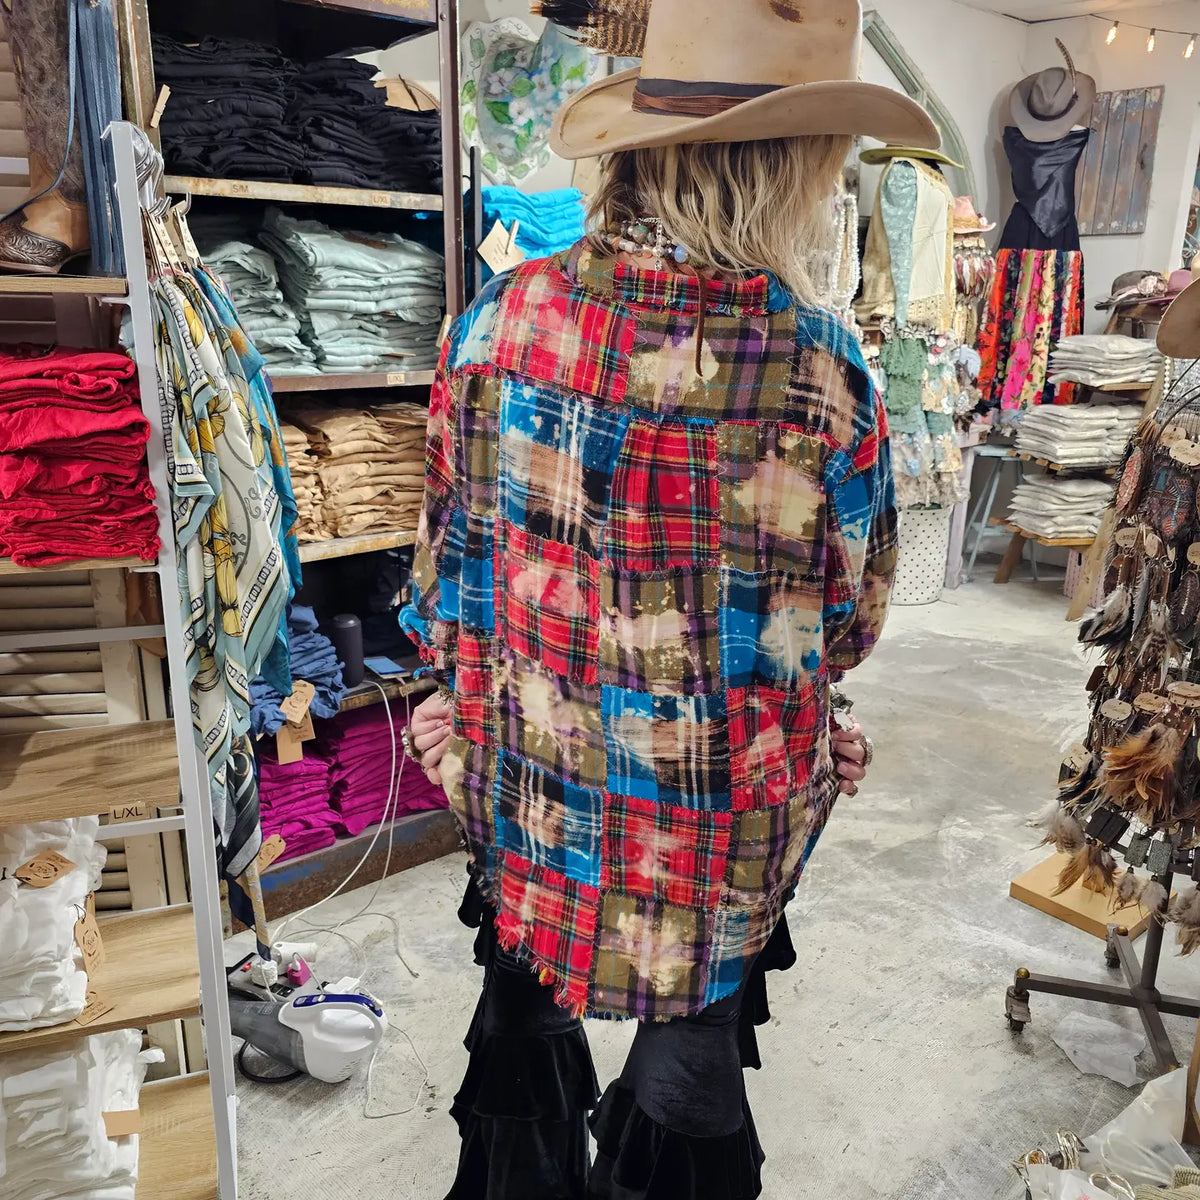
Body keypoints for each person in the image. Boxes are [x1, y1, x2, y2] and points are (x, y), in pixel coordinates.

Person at [399, 2, 938, 1196]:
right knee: (689, 1091)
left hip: (529, 788)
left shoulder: (496, 322)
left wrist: (476, 684)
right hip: (715, 829)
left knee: (523, 1037)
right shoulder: (820, 366)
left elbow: (442, 580)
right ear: (797, 165)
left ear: (645, 145)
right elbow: (849, 623)